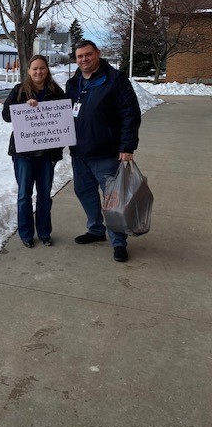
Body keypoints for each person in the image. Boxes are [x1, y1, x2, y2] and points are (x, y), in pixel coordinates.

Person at [66, 40, 141, 262]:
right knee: (84, 192)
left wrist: (127, 146)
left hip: (106, 152)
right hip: (80, 152)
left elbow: (131, 113)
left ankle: (118, 241)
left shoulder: (115, 80)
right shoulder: (73, 83)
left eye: (88, 54)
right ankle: (96, 230)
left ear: (98, 53)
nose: (84, 59)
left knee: (113, 199)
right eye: (79, 56)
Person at [2, 54, 65, 248]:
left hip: (47, 153)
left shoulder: (56, 91)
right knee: (24, 195)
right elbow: (6, 115)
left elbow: (65, 117)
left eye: (42, 68)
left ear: (47, 70)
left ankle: (45, 232)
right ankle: (26, 233)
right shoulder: (19, 90)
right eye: (35, 69)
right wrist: (23, 106)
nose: (39, 72)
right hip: (23, 153)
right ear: (29, 71)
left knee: (45, 195)